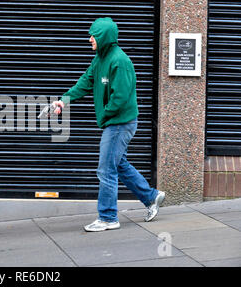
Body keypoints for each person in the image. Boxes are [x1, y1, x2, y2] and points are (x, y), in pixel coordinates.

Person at [53, 17, 165, 232]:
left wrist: (105, 114)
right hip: (114, 122)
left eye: (93, 35)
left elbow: (121, 97)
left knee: (106, 170)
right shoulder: (100, 58)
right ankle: (151, 197)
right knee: (118, 164)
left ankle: (108, 217)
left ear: (104, 36)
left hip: (120, 123)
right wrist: (64, 100)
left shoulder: (119, 61)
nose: (90, 39)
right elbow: (86, 81)